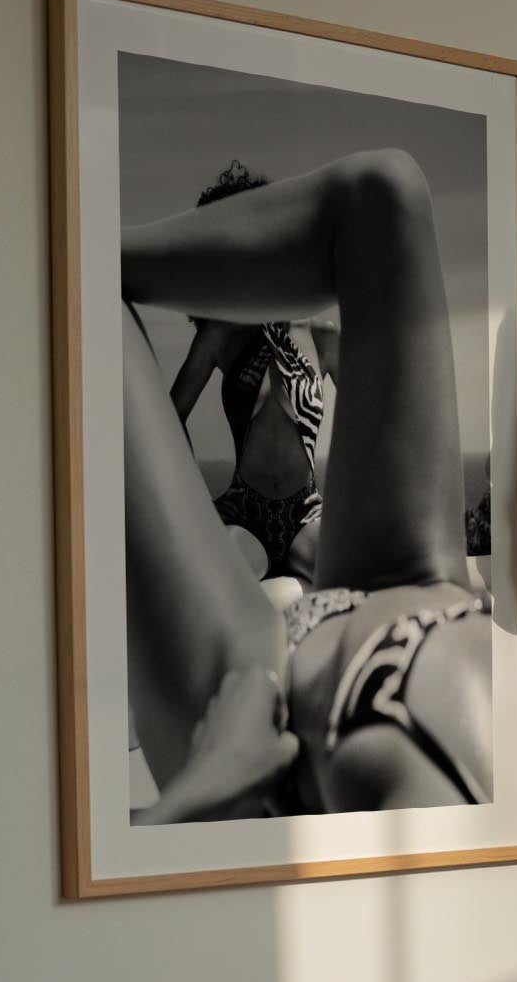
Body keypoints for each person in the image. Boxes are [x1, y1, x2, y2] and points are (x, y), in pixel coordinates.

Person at [119, 146, 492, 820]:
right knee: (387, 192)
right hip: (422, 586)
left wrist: (212, 780)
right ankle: (93, 251)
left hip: (281, 681)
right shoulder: (225, 343)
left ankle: (80, 257)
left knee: (89, 298)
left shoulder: (304, 343)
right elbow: (175, 407)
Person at [166, 161, 339, 589]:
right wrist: (192, 504)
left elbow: (369, 427)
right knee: (218, 582)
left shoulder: (321, 334)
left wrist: (347, 504)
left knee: (345, 577)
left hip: (306, 513)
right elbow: (171, 415)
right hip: (244, 512)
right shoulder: (220, 333)